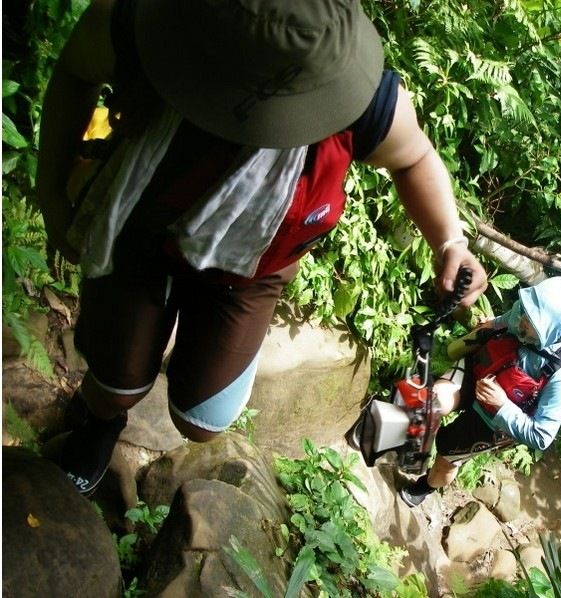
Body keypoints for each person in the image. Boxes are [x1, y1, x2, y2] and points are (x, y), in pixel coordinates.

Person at [36, 0, 487, 496]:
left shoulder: (367, 101)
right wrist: (53, 193)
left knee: (202, 422)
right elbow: (76, 73)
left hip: (253, 268)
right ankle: (100, 422)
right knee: (117, 381)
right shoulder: (143, 22)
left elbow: (415, 157)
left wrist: (450, 240)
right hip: (142, 233)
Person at [399, 276, 561, 508]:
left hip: (497, 418)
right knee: (435, 400)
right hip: (482, 368)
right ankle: (404, 441)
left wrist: (501, 404)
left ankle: (425, 486)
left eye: (534, 323)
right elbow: (501, 323)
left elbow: (542, 436)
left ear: (552, 331)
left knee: (447, 458)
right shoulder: (525, 312)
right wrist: (486, 327)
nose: (523, 321)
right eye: (526, 312)